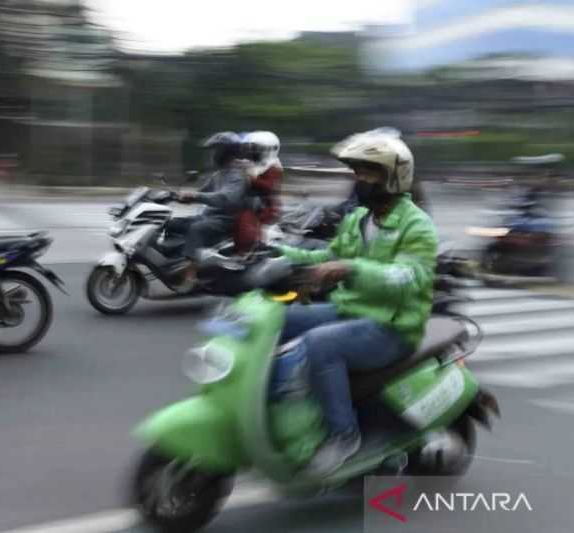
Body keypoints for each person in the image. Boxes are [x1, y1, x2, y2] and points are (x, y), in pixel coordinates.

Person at [276, 128, 438, 475]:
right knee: (277, 319)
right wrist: (271, 252)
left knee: (321, 344)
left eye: (368, 172)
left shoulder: (417, 225)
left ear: (393, 177)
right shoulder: (357, 219)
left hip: (391, 327)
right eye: (357, 172)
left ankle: (343, 436)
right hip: (351, 311)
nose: (359, 180)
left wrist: (350, 268)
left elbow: (410, 277)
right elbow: (327, 256)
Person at [168, 131, 252, 287]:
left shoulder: (237, 176)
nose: (212, 155)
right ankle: (176, 261)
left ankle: (190, 275)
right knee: (171, 223)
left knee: (196, 229)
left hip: (226, 220)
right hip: (210, 217)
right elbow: (203, 193)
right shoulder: (218, 175)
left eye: (215, 150)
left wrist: (195, 196)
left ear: (225, 152)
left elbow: (225, 198)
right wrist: (178, 196)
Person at [233, 131, 284, 254]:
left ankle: (246, 252)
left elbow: (268, 187)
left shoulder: (273, 167)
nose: (252, 152)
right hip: (251, 202)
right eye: (251, 148)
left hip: (265, 206)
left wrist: (250, 176)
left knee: (244, 220)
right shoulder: (255, 164)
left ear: (269, 149)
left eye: (255, 148)